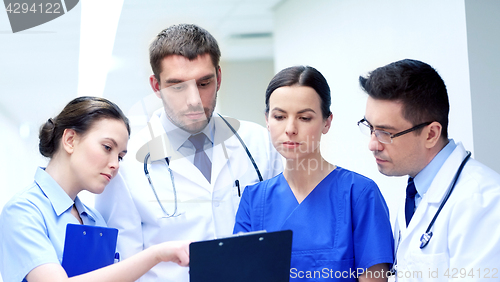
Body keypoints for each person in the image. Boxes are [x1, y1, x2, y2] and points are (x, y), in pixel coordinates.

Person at [95, 24, 282, 282]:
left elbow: (283, 229)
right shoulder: (125, 166)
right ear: (156, 86)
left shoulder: (258, 142)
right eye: (177, 86)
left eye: (204, 83)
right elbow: (124, 269)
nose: (194, 99)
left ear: (219, 77)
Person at [0, 96, 189, 282]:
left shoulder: (94, 220)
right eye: (107, 147)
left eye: (120, 156)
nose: (115, 164)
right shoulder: (23, 212)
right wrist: (156, 255)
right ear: (70, 140)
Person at [234, 66, 394, 281]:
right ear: (267, 120)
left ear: (327, 122)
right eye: (280, 116)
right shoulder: (253, 201)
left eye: (305, 118)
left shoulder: (359, 194)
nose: (290, 128)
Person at [358, 59, 500, 280]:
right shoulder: (416, 193)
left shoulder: (485, 203)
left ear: (431, 134)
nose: (372, 144)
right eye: (370, 127)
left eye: (386, 133)